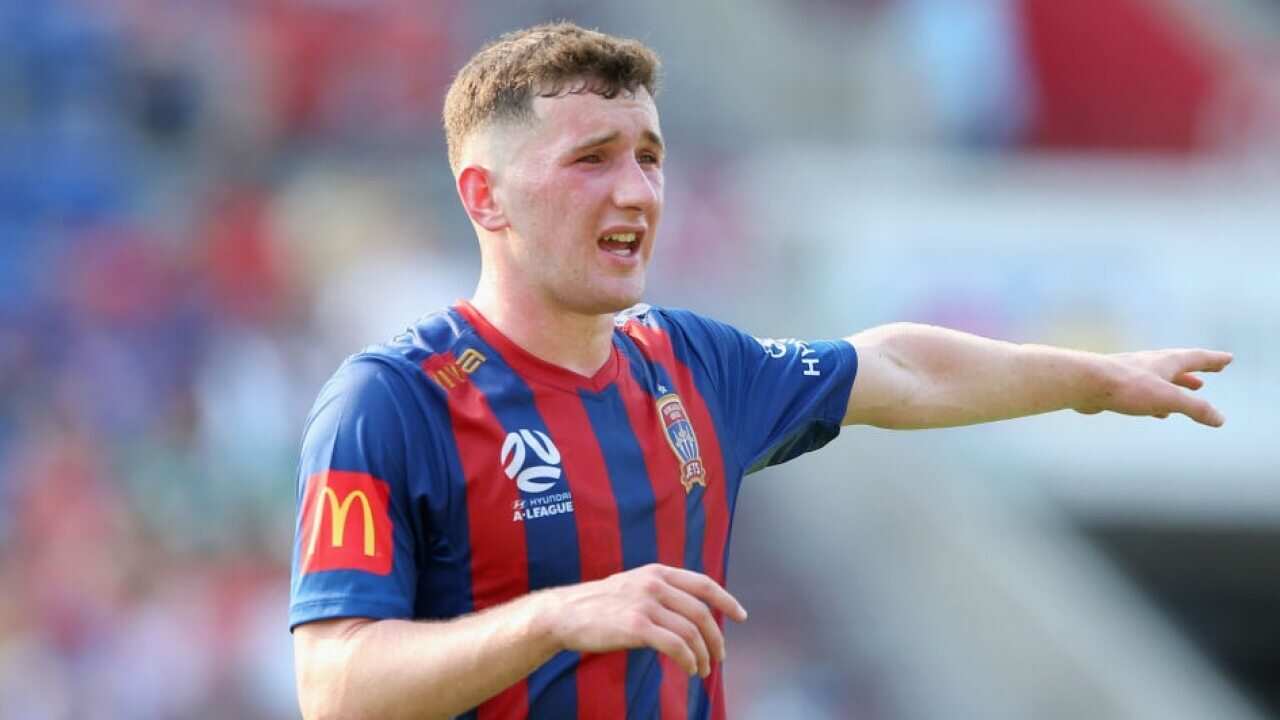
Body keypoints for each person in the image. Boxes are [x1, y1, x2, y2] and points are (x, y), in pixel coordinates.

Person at [289, 21, 1232, 720]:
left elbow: (897, 367)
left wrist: (1094, 381)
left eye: (650, 157)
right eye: (591, 159)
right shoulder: (395, 401)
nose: (636, 190)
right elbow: (333, 687)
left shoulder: (694, 364)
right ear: (484, 197)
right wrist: (554, 619)